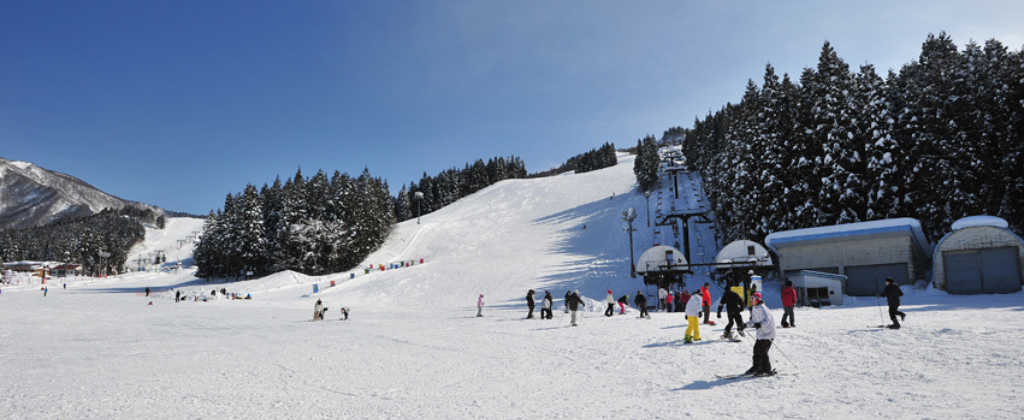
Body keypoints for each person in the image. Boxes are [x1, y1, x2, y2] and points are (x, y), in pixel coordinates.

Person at [744, 293, 777, 376]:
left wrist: (760, 324)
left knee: (763, 351)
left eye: (753, 298)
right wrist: (745, 325)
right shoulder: (754, 308)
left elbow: (768, 320)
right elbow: (754, 321)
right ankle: (757, 367)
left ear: (757, 299)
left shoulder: (763, 308)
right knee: (756, 350)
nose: (751, 300)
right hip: (761, 333)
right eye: (750, 298)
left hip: (768, 333)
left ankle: (766, 369)